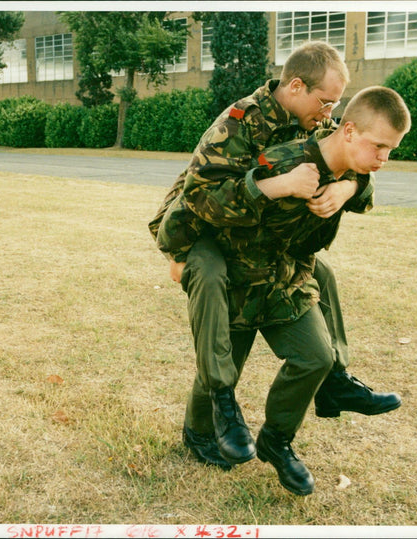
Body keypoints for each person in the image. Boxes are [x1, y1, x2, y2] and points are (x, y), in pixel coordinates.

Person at [147, 42, 401, 473]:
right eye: (326, 103)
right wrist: (276, 186)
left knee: (316, 271)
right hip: (201, 228)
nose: (330, 114)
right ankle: (206, 425)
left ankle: (334, 380)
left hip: (253, 235)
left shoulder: (314, 119)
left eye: (336, 105)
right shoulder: (238, 122)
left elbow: (346, 153)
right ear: (297, 86)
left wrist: (348, 188)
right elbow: (199, 199)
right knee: (222, 310)